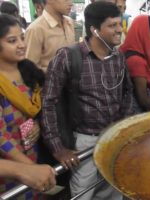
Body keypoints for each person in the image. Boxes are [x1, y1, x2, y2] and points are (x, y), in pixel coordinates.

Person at [41, 1, 135, 199]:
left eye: (120, 24)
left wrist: (122, 128)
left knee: (112, 190)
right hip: (83, 142)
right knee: (83, 193)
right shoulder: (68, 57)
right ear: (94, 29)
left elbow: (127, 93)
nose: (119, 30)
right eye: (112, 26)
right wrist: (58, 148)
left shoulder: (118, 56)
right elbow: (48, 103)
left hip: (113, 138)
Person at [0, 14, 46, 198]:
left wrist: (37, 124)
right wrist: (30, 168)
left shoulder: (28, 70)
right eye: (12, 40)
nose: (21, 44)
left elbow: (35, 110)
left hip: (31, 150)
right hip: (9, 164)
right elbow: (1, 137)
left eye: (22, 37)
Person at [120, 15, 150, 111]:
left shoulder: (132, 52)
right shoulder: (137, 61)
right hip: (135, 113)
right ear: (144, 34)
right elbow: (143, 100)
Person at [25, 0, 75, 73]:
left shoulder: (69, 22)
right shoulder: (35, 29)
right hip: (49, 82)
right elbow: (30, 68)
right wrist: (57, 71)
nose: (71, 3)